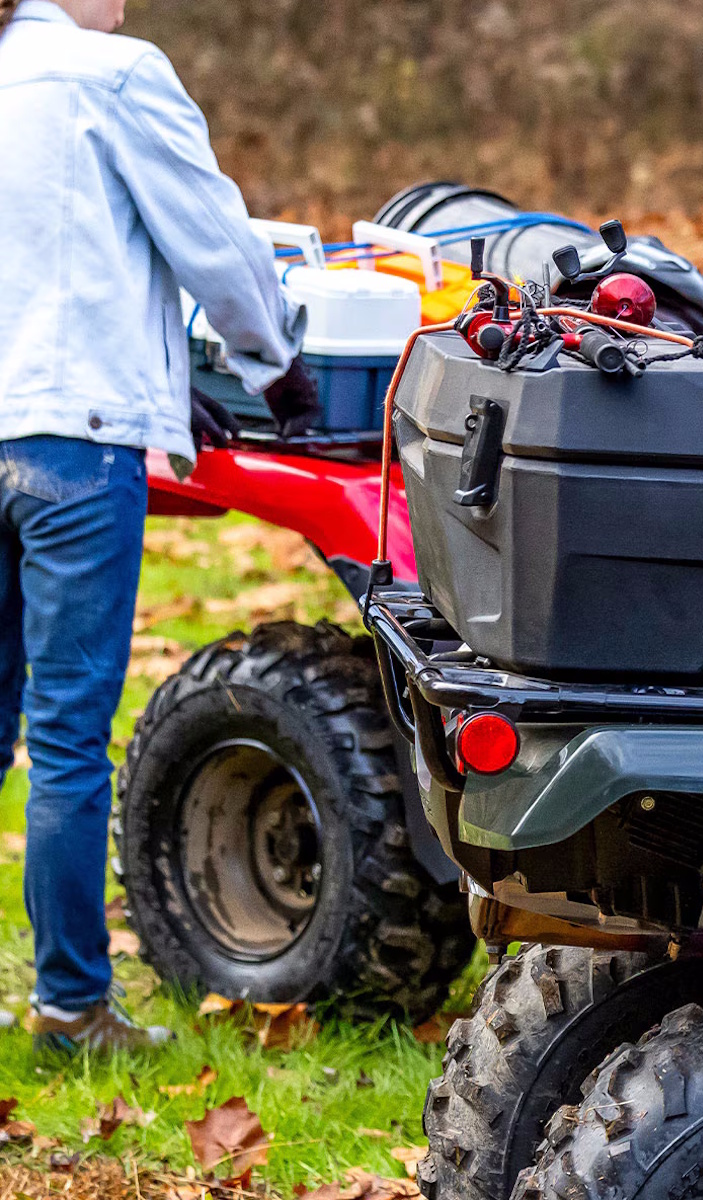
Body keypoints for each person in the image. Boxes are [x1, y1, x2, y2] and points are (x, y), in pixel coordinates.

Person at [0, 0, 320, 1052]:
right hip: (73, 450)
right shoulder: (115, 73)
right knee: (65, 740)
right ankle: (71, 1008)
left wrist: (160, 377)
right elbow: (212, 244)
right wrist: (274, 363)